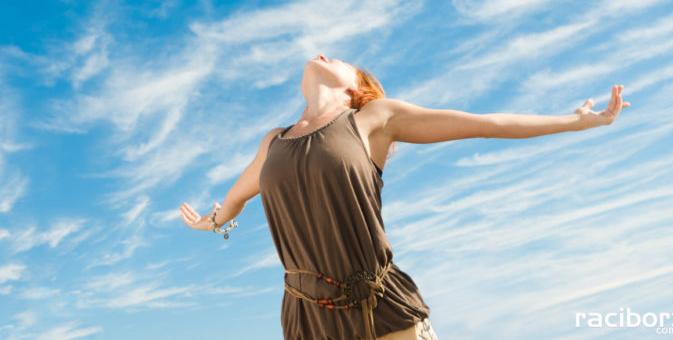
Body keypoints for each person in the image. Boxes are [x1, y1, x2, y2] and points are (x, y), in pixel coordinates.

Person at [179, 54, 630, 339]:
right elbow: (236, 199)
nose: (324, 55)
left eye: (339, 58)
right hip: (307, 317)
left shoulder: (373, 118)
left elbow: (485, 124)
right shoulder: (273, 142)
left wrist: (575, 122)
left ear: (356, 88)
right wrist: (210, 222)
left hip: (381, 306)